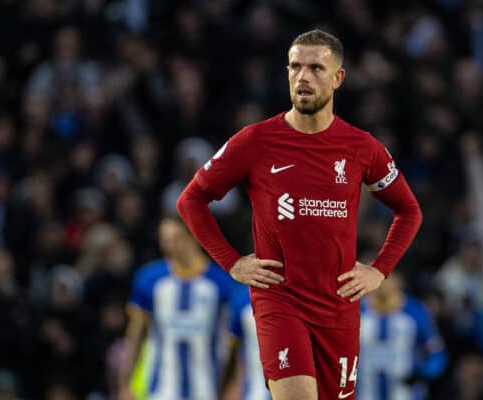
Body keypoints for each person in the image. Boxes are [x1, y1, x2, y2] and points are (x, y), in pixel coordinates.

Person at [176, 29, 422, 400]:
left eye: (316, 68)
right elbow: (191, 199)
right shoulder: (255, 141)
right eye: (295, 67)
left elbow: (409, 210)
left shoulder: (362, 147)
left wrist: (379, 270)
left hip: (339, 307)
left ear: (338, 78)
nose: (303, 77)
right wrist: (230, 263)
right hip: (280, 301)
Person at [117, 217, 235, 400]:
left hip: (206, 390)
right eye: (164, 239)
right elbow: (135, 334)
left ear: (194, 236)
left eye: (175, 238)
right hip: (161, 390)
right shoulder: (149, 279)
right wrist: (125, 383)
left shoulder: (221, 284)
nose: (168, 245)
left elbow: (232, 343)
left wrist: (231, 387)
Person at [358, 272, 448, 400]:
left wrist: (421, 374)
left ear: (399, 281)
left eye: (388, 278)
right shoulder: (356, 309)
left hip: (406, 393)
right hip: (363, 392)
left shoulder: (416, 311)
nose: (384, 284)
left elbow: (436, 352)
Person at [220, 285, 271, 400]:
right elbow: (233, 350)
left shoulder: (301, 293)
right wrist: (230, 386)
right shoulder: (242, 298)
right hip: (255, 391)